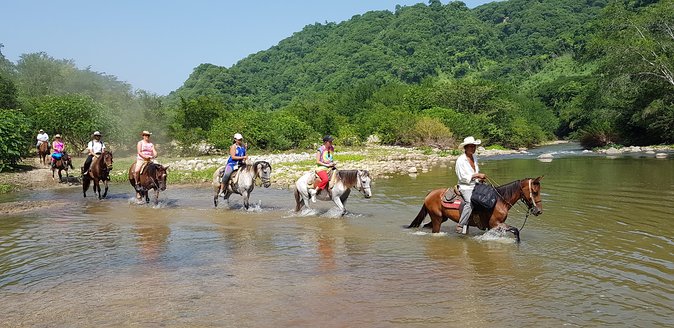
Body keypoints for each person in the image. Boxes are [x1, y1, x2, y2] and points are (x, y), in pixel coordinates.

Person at [455, 136, 487, 234]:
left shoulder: (474, 157)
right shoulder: (461, 160)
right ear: (465, 148)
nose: (473, 148)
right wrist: (477, 175)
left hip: (475, 184)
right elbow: (463, 177)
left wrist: (479, 178)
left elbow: (475, 171)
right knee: (470, 202)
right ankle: (461, 224)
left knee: (489, 196)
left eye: (474, 146)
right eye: (471, 146)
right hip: (465, 186)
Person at [311, 135, 335, 202]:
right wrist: (327, 164)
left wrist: (332, 163)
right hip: (321, 168)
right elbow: (317, 161)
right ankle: (315, 191)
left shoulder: (332, 148)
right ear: (325, 142)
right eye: (330, 141)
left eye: (331, 141)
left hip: (330, 166)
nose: (331, 143)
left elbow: (330, 158)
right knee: (325, 179)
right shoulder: (320, 150)